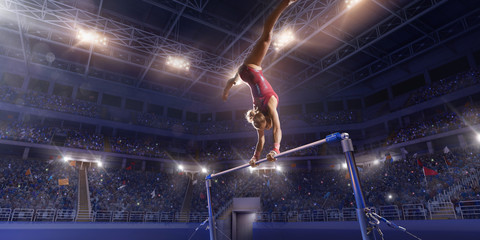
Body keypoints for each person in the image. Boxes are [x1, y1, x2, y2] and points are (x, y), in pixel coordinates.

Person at [223, 0, 298, 167]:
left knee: (267, 36)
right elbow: (262, 141)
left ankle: (283, 4)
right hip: (245, 75)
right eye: (260, 126)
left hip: (252, 69)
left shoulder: (270, 106)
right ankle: (230, 84)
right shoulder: (259, 115)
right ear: (263, 121)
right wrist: (257, 157)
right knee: (236, 79)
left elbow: (277, 130)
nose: (259, 128)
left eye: (258, 126)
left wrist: (275, 150)